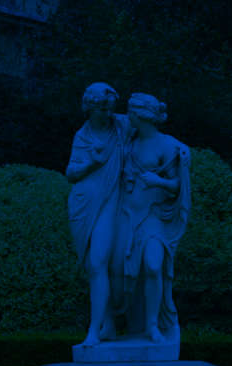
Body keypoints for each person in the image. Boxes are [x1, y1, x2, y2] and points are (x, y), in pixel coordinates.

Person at [114, 92, 191, 343]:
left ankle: (153, 325)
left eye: (131, 112)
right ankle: (116, 323)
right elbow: (107, 120)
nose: (127, 116)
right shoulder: (128, 141)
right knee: (118, 270)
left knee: (154, 265)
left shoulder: (166, 145)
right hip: (125, 215)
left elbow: (178, 186)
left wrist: (158, 181)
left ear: (141, 115)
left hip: (152, 216)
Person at [66, 82, 133, 346]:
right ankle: (107, 325)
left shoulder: (122, 126)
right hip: (84, 202)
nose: (107, 113)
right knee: (92, 266)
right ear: (89, 108)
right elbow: (71, 173)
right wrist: (92, 162)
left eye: (109, 107)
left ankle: (95, 330)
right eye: (101, 108)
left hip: (110, 202)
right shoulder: (82, 135)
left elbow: (151, 129)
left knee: (98, 263)